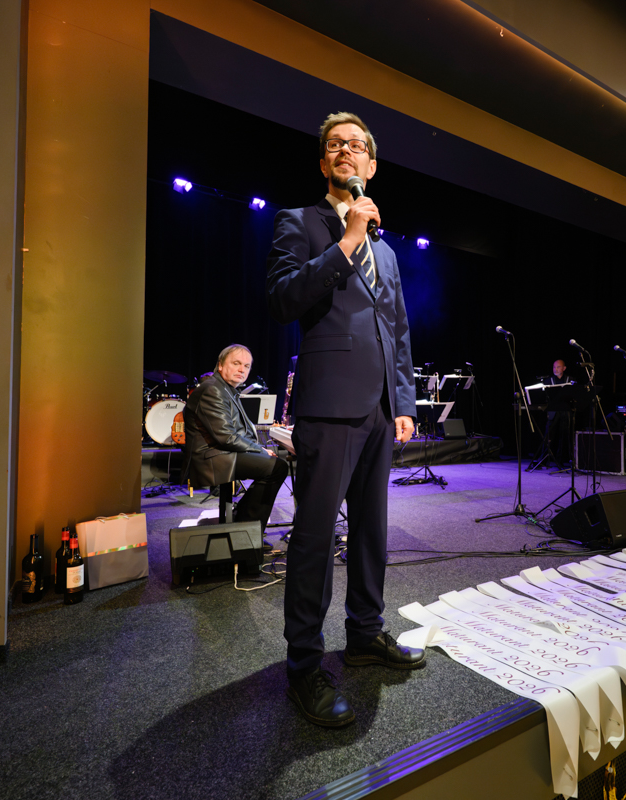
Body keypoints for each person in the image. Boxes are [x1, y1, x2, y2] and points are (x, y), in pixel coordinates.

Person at [266, 112, 423, 728]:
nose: (345, 151)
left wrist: (404, 402)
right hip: (328, 404)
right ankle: (304, 665)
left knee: (371, 532)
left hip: (380, 408)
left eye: (356, 145)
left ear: (371, 165)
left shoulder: (388, 250)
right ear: (323, 162)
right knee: (313, 537)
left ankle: (364, 633)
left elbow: (398, 328)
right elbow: (283, 299)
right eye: (334, 145)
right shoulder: (299, 222)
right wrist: (347, 240)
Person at [182, 344, 289, 533]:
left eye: (246, 366)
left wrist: (257, 448)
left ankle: (244, 523)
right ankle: (246, 530)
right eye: (236, 363)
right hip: (211, 457)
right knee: (277, 468)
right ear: (220, 365)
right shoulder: (213, 390)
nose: (242, 370)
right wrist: (260, 449)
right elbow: (227, 437)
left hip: (221, 451)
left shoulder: (225, 389)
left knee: (276, 465)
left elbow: (236, 432)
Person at [544, 359, 573, 468]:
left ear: (564, 368)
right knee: (549, 435)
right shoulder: (549, 380)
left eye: (558, 367)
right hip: (553, 411)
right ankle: (544, 459)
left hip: (565, 411)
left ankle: (561, 459)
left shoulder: (570, 380)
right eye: (554, 367)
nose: (555, 369)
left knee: (564, 435)